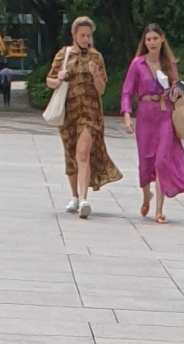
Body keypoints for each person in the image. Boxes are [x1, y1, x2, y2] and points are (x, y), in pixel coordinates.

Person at [46, 16, 122, 219]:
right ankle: (75, 196)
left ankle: (84, 198)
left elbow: (102, 89)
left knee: (83, 153)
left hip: (90, 113)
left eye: (89, 35)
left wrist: (96, 74)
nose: (86, 39)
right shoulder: (64, 54)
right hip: (68, 112)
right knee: (71, 153)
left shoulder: (96, 57)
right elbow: (49, 80)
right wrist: (59, 79)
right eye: (83, 35)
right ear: (74, 35)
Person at [121, 23, 184, 224]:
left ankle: (159, 210)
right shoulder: (137, 64)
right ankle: (146, 196)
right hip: (145, 116)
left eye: (155, 38)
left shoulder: (169, 64)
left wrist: (177, 91)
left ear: (162, 39)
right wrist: (127, 115)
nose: (152, 42)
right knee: (145, 163)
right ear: (145, 42)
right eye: (148, 39)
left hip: (165, 115)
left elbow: (177, 88)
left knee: (161, 162)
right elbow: (127, 91)